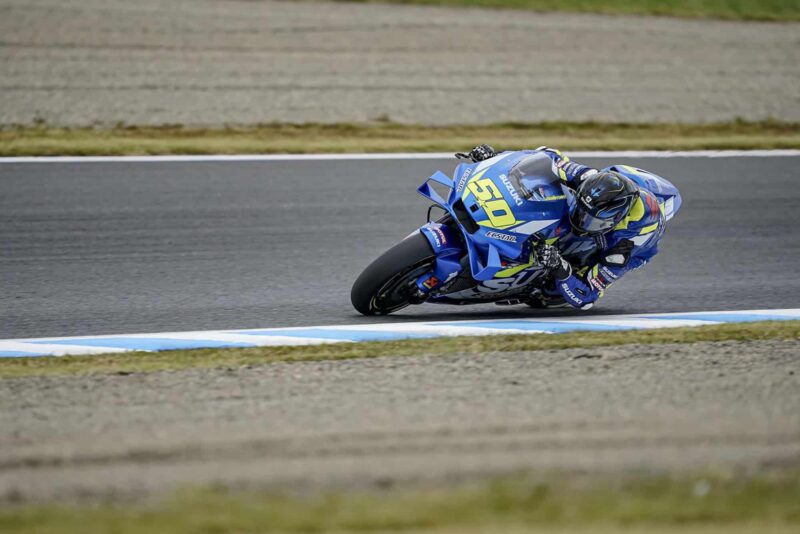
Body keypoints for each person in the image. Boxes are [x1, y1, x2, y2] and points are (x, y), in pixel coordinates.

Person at [456, 144, 681, 309]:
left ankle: (536, 285)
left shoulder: (625, 246)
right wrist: (496, 157)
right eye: (582, 212)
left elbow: (587, 296)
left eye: (591, 220)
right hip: (617, 190)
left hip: (624, 243)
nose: (582, 221)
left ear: (611, 221)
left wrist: (559, 266)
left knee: (554, 289)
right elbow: (546, 156)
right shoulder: (586, 177)